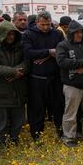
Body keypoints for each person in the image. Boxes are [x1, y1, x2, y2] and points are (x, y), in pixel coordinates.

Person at [22, 11, 65, 140]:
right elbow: (28, 52)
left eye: (48, 24)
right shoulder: (29, 34)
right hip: (36, 79)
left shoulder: (57, 34)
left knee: (58, 107)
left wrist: (45, 56)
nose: (46, 27)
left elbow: (63, 50)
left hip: (55, 77)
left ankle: (61, 133)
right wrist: (48, 52)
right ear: (37, 23)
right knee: (37, 110)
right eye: (43, 25)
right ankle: (37, 137)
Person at [0, 20, 28, 147]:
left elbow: (27, 61)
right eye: (8, 34)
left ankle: (14, 141)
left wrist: (19, 72)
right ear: (1, 34)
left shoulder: (20, 44)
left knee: (18, 120)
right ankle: (1, 145)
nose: (10, 37)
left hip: (18, 88)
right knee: (1, 121)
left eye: (13, 34)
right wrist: (12, 72)